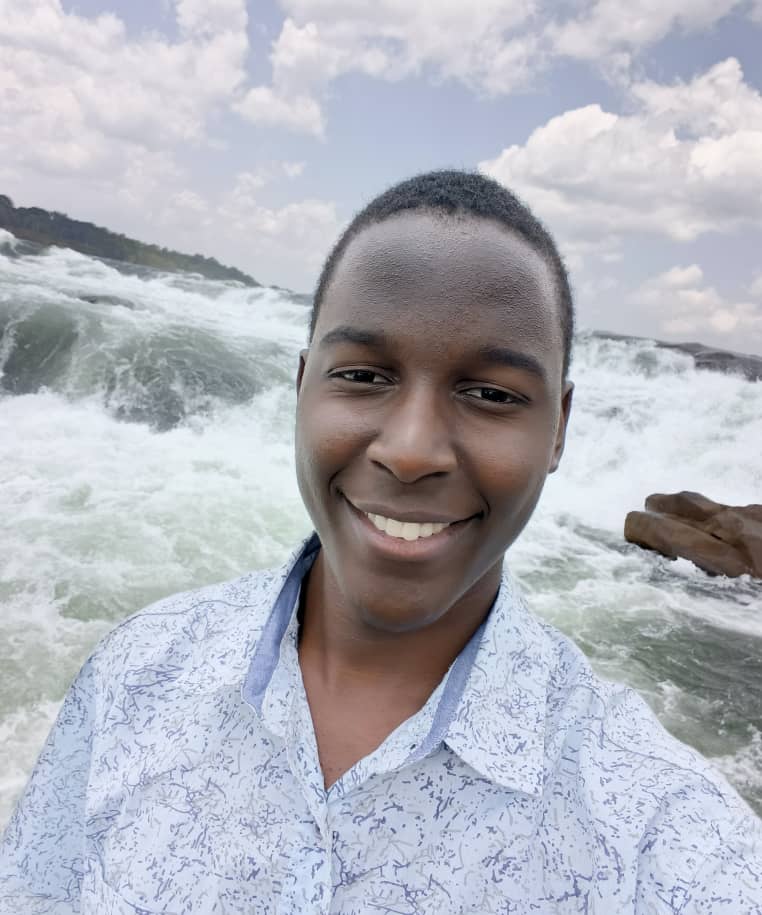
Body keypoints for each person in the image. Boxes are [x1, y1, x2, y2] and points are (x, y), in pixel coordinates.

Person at [1, 170, 760, 914]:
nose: (410, 450)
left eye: (491, 393)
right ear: (303, 386)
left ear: (558, 428)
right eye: (363, 376)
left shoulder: (663, 835)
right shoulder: (135, 674)